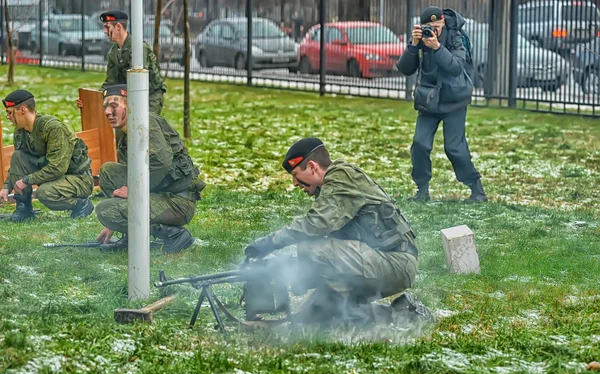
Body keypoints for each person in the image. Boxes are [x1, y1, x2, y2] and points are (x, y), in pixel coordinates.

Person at [244, 138, 431, 327]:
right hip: (377, 260)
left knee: (311, 250)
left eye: (295, 174)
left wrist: (271, 242)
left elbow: (316, 224)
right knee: (308, 320)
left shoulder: (342, 176)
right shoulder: (333, 187)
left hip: (395, 262)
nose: (294, 183)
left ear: (311, 167)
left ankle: (354, 319)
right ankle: (404, 314)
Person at [95, 85, 205, 253]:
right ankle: (131, 236)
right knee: (108, 172)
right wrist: (116, 222)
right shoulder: (126, 134)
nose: (108, 112)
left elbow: (161, 162)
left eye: (114, 105)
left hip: (177, 202)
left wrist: (133, 192)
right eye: (105, 107)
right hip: (159, 193)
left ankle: (173, 234)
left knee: (105, 210)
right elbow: (133, 174)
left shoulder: (146, 123)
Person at [397, 7, 487, 202]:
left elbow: (455, 68)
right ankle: (422, 191)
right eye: (428, 27)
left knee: (454, 147)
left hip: (454, 100)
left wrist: (437, 47)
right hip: (429, 101)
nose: (432, 30)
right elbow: (404, 69)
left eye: (435, 25)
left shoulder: (456, 37)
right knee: (420, 144)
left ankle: (476, 189)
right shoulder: (421, 39)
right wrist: (413, 45)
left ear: (443, 22)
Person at [0, 90, 94, 221]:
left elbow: (57, 168)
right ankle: (24, 209)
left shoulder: (52, 128)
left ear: (22, 110)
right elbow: (18, 164)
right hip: (54, 177)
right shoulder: (20, 132)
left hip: (77, 178)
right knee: (18, 156)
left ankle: (81, 205)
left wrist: (27, 180)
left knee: (44, 193)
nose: (7, 117)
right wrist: (6, 187)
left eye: (10, 113)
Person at [76, 10, 167, 115]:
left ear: (118, 27)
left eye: (107, 27)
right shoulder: (113, 52)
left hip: (150, 96)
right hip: (128, 95)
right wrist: (90, 100)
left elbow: (139, 82)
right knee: (121, 128)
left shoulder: (138, 48)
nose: (105, 31)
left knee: (144, 127)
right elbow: (110, 82)